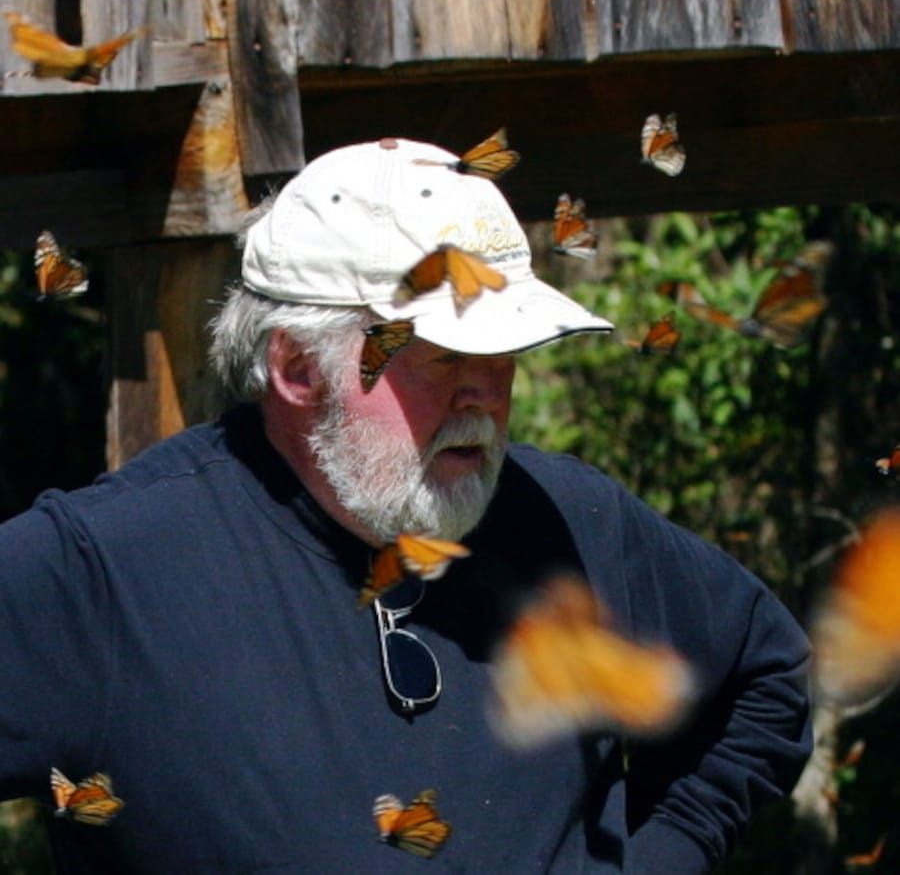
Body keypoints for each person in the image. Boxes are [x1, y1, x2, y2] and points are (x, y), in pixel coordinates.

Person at [0, 136, 811, 873]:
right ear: (297, 367)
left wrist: (661, 856)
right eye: (440, 355)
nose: (485, 393)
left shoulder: (574, 522)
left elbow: (762, 679)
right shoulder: (107, 575)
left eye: (505, 351)